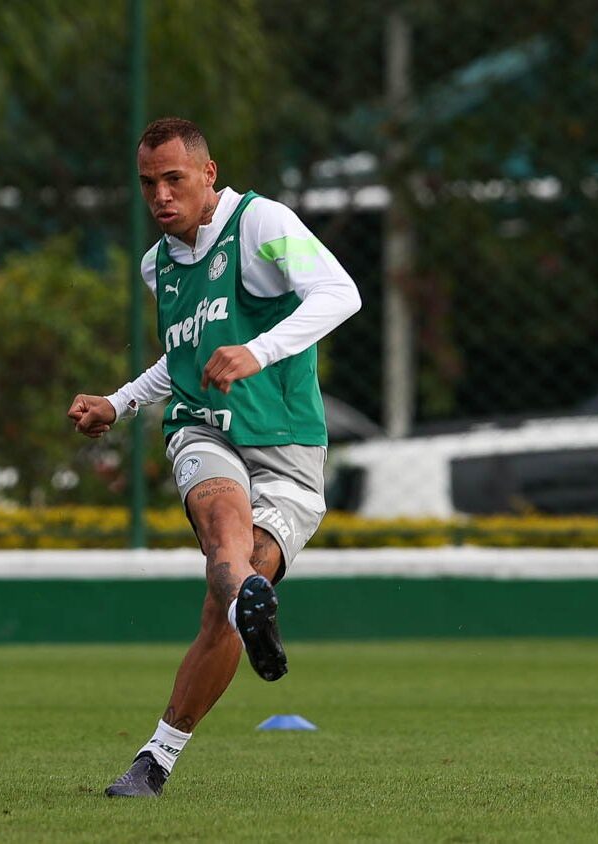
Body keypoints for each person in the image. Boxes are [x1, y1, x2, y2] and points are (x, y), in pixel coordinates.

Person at [68, 117, 361, 798]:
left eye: (173, 179)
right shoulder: (157, 264)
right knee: (224, 533)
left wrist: (257, 351)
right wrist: (120, 401)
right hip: (205, 429)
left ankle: (157, 757)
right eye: (147, 183)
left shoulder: (259, 224)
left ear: (208, 173)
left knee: (222, 602)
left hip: (288, 451)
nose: (160, 196)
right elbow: (183, 362)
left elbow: (339, 293)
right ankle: (246, 604)